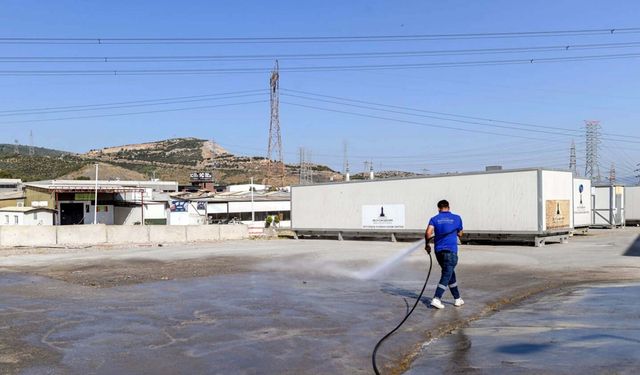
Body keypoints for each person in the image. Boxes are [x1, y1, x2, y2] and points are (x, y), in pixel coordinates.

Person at [425, 199, 464, 309]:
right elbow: (460, 234)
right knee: (447, 274)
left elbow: (428, 233)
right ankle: (437, 298)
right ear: (449, 207)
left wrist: (427, 245)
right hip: (451, 251)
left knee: (450, 273)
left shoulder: (434, 219)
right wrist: (456, 231)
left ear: (438, 208)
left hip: (439, 252)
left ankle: (457, 299)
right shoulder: (457, 218)